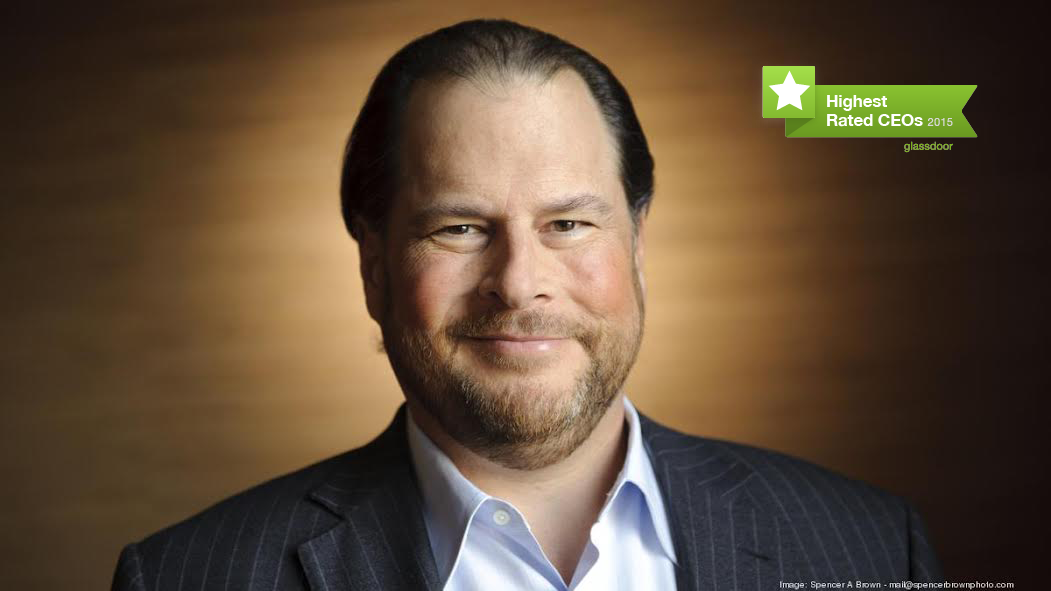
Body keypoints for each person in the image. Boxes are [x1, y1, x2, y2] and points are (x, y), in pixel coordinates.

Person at [111, 19, 942, 591]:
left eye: (568, 224)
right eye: (459, 228)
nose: (517, 282)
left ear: (636, 244)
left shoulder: (871, 547)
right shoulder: (189, 576)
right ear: (372, 267)